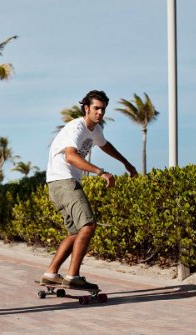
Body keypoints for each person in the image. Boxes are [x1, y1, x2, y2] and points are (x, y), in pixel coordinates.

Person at [41, 90, 137, 290]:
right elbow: (71, 157)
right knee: (88, 225)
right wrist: (100, 172)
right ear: (86, 108)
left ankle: (51, 274)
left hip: (57, 183)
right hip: (63, 181)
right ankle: (73, 276)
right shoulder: (76, 127)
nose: (100, 113)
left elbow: (105, 145)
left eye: (103, 109)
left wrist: (126, 163)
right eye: (96, 108)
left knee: (75, 232)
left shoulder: (96, 130)